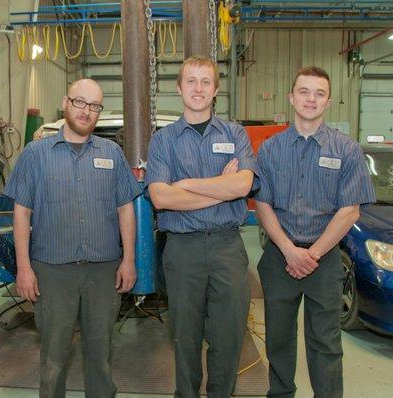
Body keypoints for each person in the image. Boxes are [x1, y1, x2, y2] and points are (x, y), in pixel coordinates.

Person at [4, 78, 142, 397]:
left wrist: (130, 260)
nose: (86, 111)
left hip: (103, 271)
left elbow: (125, 209)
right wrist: (23, 268)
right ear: (66, 103)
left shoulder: (112, 153)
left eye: (94, 106)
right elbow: (21, 213)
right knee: (53, 357)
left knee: (101, 355)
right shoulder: (35, 154)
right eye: (80, 102)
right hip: (53, 273)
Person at [255, 66, 375, 398]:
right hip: (280, 258)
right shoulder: (270, 149)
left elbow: (351, 209)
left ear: (329, 101)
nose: (311, 99)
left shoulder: (346, 150)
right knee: (278, 338)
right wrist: (289, 250)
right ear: (292, 97)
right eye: (304, 92)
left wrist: (314, 253)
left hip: (324, 261)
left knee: (325, 341)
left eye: (319, 93)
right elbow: (262, 205)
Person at [145, 56, 256, 397]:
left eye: (205, 81)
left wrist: (188, 183)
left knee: (228, 335)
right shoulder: (163, 140)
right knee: (186, 337)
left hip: (227, 248)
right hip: (183, 250)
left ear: (215, 89)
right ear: (179, 88)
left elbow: (242, 186)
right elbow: (161, 197)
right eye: (190, 81)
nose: (198, 88)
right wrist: (219, 189)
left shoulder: (235, 133)